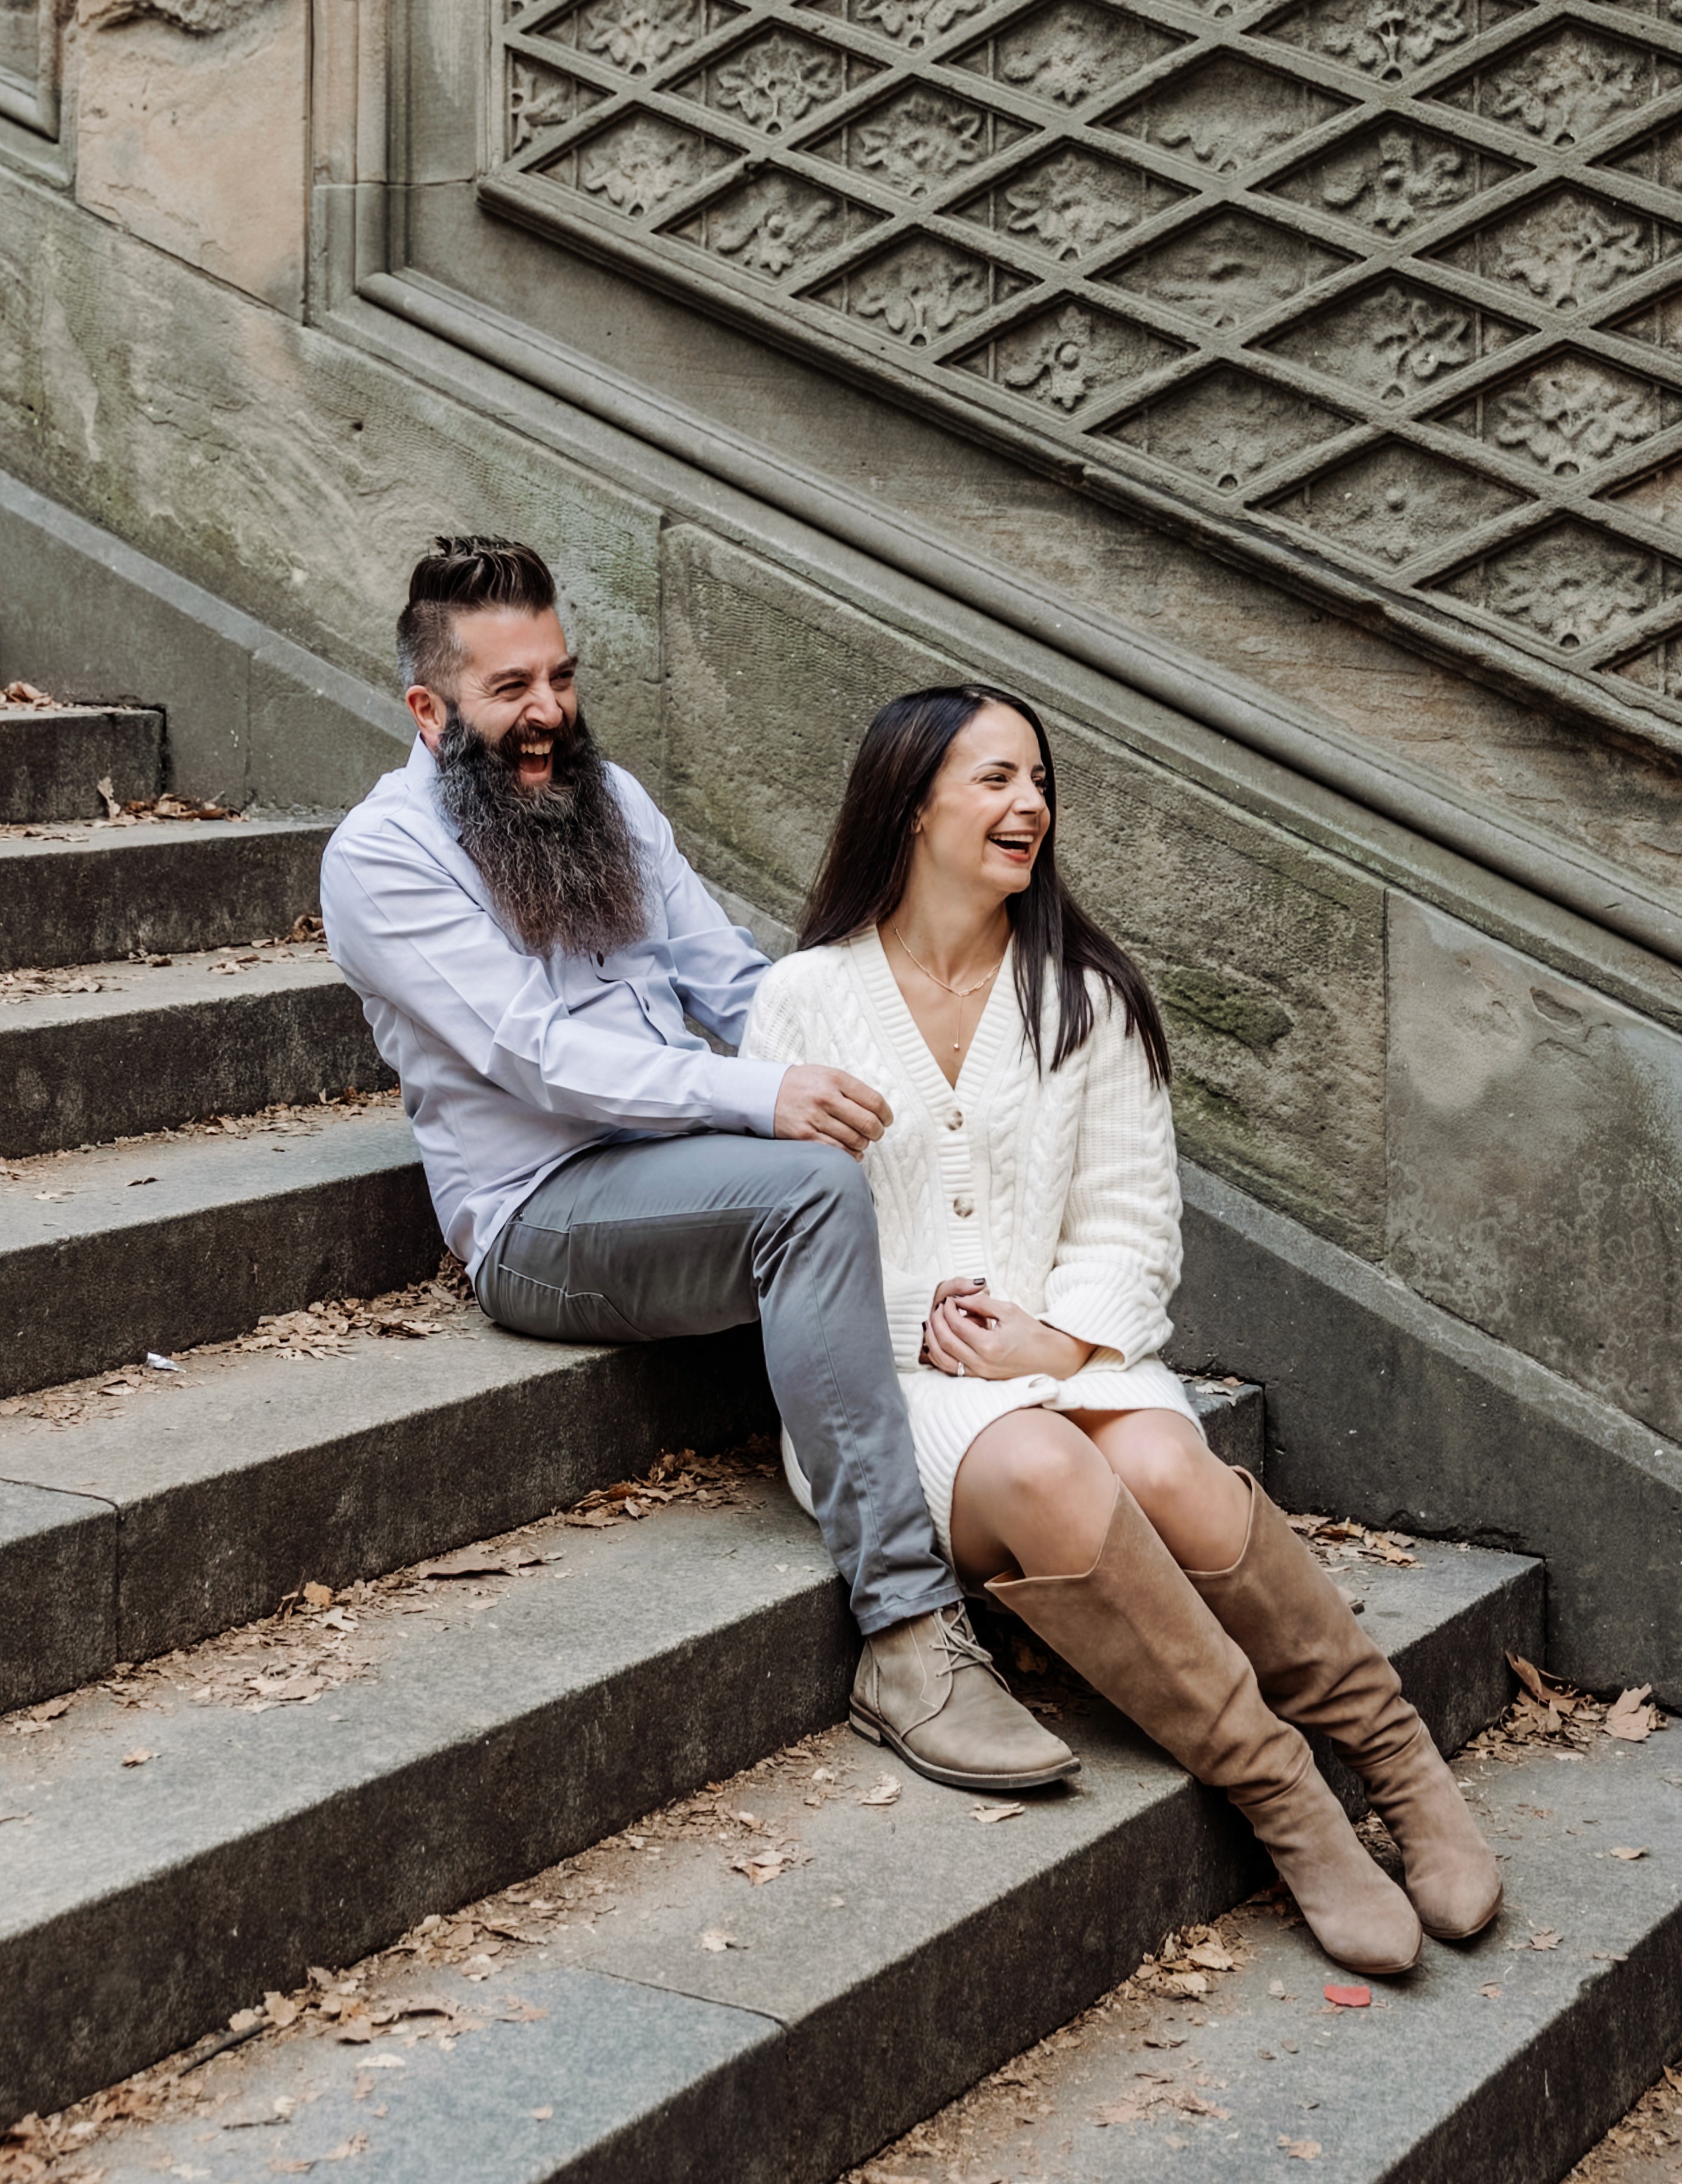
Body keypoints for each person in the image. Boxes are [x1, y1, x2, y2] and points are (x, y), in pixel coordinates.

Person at [741, 682, 1504, 1979]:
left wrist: (1056, 1342)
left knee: (1161, 1468)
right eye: (993, 778)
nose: (1028, 803)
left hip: (1073, 1358)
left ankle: (1394, 1758)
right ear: (910, 800)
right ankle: (1289, 1802)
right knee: (1047, 1466)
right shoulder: (804, 1000)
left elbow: (1132, 1229)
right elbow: (780, 1244)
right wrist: (916, 1319)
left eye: (1038, 779)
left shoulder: (1083, 996)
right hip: (887, 1393)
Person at [319, 536, 1072, 1795]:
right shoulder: (382, 856)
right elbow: (539, 1055)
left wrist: (905, 1058)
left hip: (686, 1164)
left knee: (892, 1134)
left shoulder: (605, 801)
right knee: (810, 1184)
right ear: (429, 705)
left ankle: (1020, 1433)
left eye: (559, 675)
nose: (548, 711)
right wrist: (764, 1095)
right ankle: (903, 1633)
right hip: (543, 1215)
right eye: (510, 688)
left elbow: (733, 982)